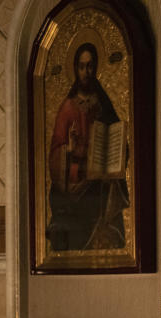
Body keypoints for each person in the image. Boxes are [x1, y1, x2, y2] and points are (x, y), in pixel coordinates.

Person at [47, 42, 128, 251]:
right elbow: (55, 151)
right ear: (75, 68)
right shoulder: (67, 107)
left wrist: (118, 149)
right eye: (82, 66)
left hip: (99, 178)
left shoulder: (102, 103)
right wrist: (69, 149)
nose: (86, 72)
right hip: (76, 180)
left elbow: (117, 136)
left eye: (90, 66)